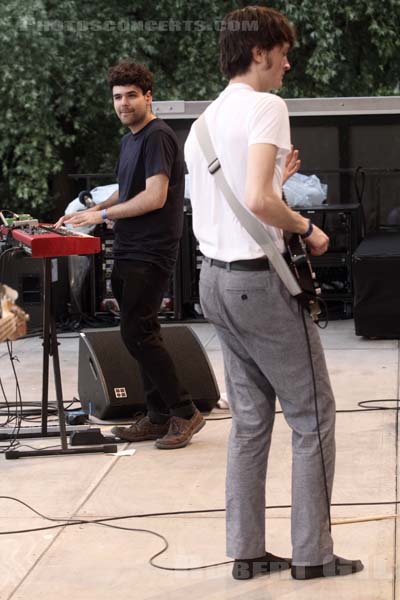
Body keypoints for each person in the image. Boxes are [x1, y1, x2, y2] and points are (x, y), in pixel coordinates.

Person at [184, 6, 363, 580]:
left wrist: (274, 188)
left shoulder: (203, 121)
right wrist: (308, 229)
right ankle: (313, 554)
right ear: (259, 51)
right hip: (257, 287)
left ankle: (248, 551)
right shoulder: (267, 106)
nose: (289, 61)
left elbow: (240, 197)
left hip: (213, 281)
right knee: (314, 416)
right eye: (283, 50)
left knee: (252, 420)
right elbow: (260, 203)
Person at [56, 60, 205, 449]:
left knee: (137, 332)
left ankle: (184, 411)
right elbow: (127, 190)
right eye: (118, 98)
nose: (123, 104)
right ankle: (157, 416)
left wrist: (102, 215)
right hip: (129, 246)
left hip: (151, 249)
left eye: (131, 96)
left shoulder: (158, 136)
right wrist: (88, 211)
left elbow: (154, 196)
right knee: (141, 331)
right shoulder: (130, 140)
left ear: (148, 96)